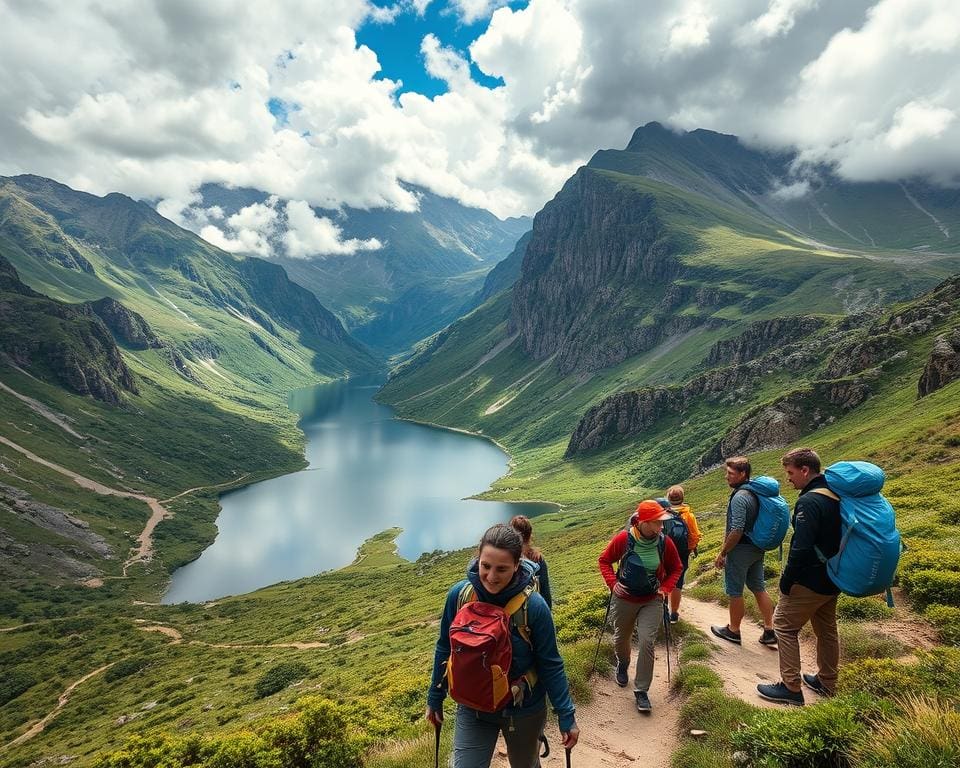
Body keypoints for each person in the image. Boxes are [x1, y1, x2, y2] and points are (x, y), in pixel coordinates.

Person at [425, 524, 579, 767]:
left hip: (523, 708)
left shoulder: (535, 608)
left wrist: (566, 715)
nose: (491, 576)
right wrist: (435, 697)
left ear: (517, 565)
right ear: (478, 557)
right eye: (485, 566)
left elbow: (550, 663)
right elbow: (445, 647)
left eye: (502, 569)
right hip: (472, 704)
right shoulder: (459, 595)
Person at [757, 447, 841, 706]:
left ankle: (791, 687)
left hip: (809, 579)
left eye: (791, 472)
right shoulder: (835, 494)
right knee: (826, 629)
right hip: (833, 576)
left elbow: (802, 546)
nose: (788, 478)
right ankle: (827, 681)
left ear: (805, 470)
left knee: (783, 625)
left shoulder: (809, 502)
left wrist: (787, 579)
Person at [598, 499, 683, 712]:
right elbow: (604, 560)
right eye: (657, 522)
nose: (661, 527)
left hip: (651, 599)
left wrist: (665, 588)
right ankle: (623, 663)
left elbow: (676, 568)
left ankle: (641, 691)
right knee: (621, 638)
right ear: (644, 522)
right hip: (624, 597)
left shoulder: (665, 542)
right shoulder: (624, 539)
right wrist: (613, 584)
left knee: (647, 642)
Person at [710, 456, 777, 646]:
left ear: (743, 474)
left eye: (730, 473)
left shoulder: (740, 497)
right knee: (758, 587)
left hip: (740, 550)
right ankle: (770, 629)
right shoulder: (754, 493)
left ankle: (733, 630)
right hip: (756, 547)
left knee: (735, 591)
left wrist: (723, 552)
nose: (727, 477)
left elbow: (737, 529)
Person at [664, 485, 701, 623]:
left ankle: (663, 611)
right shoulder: (688, 515)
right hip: (681, 553)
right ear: (682, 498)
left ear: (668, 498)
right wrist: (690, 548)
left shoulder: (663, 514)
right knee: (677, 583)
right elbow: (694, 535)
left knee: (663, 580)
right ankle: (674, 613)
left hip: (664, 552)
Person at [510, 514, 553, 609]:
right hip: (532, 611)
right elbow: (545, 592)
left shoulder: (507, 558)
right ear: (530, 534)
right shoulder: (538, 559)